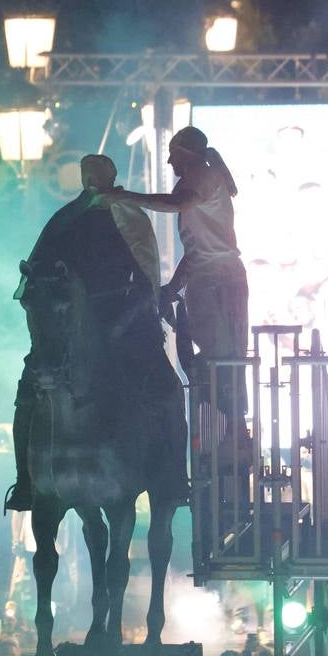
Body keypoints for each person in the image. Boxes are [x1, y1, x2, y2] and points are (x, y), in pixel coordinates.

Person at [5, 153, 170, 511]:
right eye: (87, 175)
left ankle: (170, 476)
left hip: (125, 322)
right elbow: (40, 273)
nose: (92, 181)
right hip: (69, 325)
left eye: (98, 175)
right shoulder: (66, 221)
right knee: (27, 393)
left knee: (166, 388)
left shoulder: (130, 218)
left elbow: (144, 277)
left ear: (111, 177)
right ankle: (25, 481)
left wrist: (127, 320)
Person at [102, 126, 249, 452]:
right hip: (214, 276)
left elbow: (177, 204)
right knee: (220, 357)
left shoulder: (199, 176)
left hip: (216, 279)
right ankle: (229, 427)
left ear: (187, 153)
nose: (169, 161)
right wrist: (174, 287)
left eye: (173, 153)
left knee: (219, 358)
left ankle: (231, 430)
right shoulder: (206, 175)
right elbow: (196, 250)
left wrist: (125, 197)